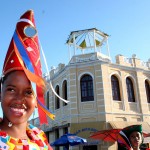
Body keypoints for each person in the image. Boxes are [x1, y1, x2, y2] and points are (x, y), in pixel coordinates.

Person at [0, 10, 54, 149]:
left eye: (28, 92)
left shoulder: (40, 138)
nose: (19, 98)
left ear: (37, 100)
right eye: (11, 89)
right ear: (1, 93)